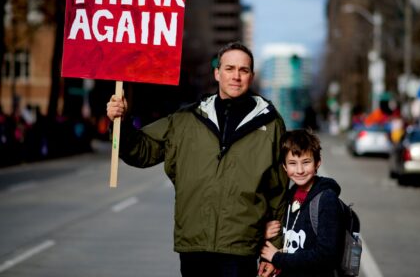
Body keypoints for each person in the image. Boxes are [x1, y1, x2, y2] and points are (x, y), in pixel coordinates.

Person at [106, 41, 289, 277]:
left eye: (243, 70)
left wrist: (274, 249)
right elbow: (140, 151)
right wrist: (120, 122)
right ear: (217, 73)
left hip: (241, 247)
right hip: (194, 245)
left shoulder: (271, 124)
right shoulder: (185, 120)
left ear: (251, 76)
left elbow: (279, 192)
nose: (236, 76)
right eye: (229, 68)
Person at [259, 129, 344, 277]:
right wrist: (262, 234)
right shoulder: (288, 197)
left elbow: (326, 256)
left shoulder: (326, 199)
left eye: (306, 162)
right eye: (292, 163)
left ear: (317, 163)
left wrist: (277, 258)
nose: (299, 170)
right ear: (284, 167)